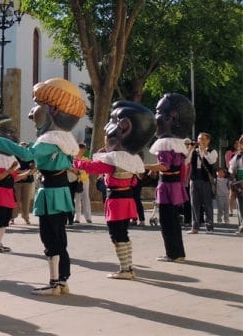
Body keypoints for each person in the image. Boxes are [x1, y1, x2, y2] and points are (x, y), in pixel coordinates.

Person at [0, 78, 87, 296]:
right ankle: (62, 280)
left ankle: (54, 282)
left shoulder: (49, 139)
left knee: (50, 237)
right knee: (59, 236)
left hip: (51, 193)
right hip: (60, 190)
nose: (32, 113)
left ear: (52, 110)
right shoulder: (64, 140)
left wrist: (1, 142)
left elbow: (28, 156)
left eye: (37, 105)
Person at [74, 101, 155, 280]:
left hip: (116, 202)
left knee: (117, 235)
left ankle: (125, 269)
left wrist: (75, 160)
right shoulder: (132, 158)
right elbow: (134, 182)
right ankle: (128, 267)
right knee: (123, 234)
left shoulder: (113, 159)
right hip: (127, 200)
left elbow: (92, 167)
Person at [144, 93, 194, 262]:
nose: (155, 115)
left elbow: (164, 166)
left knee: (167, 222)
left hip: (167, 187)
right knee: (173, 221)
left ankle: (172, 253)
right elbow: (174, 165)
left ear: (171, 116)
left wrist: (144, 166)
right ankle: (178, 252)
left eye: (157, 111)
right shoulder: (177, 143)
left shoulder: (165, 143)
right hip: (174, 186)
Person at [188, 132, 218, 233]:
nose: (200, 141)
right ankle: (194, 227)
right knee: (194, 203)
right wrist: (190, 149)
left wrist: (204, 150)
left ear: (208, 140)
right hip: (194, 178)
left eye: (203, 139)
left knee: (207, 204)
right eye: (199, 139)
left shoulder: (212, 151)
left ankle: (209, 227)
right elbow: (186, 161)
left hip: (206, 180)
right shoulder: (194, 151)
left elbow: (211, 161)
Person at [12, 141, 36, 225]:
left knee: (26, 200)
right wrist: (23, 172)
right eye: (22, 146)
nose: (23, 148)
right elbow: (13, 169)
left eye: (25, 147)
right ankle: (12, 218)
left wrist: (28, 173)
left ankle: (26, 218)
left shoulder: (30, 157)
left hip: (28, 181)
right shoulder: (14, 157)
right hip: (17, 181)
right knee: (15, 200)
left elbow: (34, 168)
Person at [227, 135, 243, 236]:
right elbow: (231, 166)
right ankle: (242, 227)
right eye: (241, 143)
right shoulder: (237, 156)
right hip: (239, 183)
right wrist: (232, 171)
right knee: (240, 206)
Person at [73, 144, 92, 224]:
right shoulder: (73, 159)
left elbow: (89, 169)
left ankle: (88, 217)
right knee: (77, 199)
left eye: (84, 149)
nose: (83, 150)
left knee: (86, 198)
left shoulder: (86, 159)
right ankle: (77, 217)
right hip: (76, 181)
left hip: (85, 181)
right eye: (82, 149)